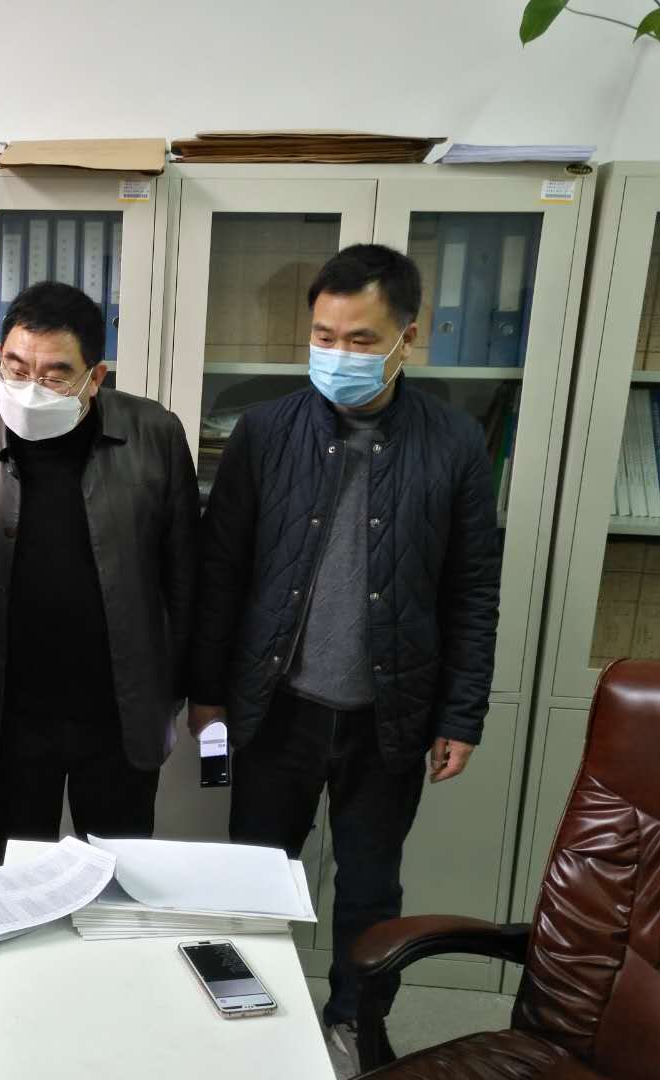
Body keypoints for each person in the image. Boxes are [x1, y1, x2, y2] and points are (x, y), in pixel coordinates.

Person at [188, 244, 500, 1069]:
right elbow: (221, 571)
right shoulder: (265, 432)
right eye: (324, 337)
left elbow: (472, 588)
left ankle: (355, 1025)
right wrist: (207, 693)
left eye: (361, 340)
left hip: (389, 715)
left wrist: (462, 713)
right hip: (275, 707)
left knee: (369, 888)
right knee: (254, 878)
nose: (339, 355)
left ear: (408, 338)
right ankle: (249, 1026)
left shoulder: (455, 441)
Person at [0, 280, 197, 865]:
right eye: (16, 367)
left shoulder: (154, 435)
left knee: (119, 876)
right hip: (14, 717)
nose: (31, 387)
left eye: (55, 374)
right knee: (17, 876)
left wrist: (178, 687)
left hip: (119, 712)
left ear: (95, 376)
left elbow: (183, 575)